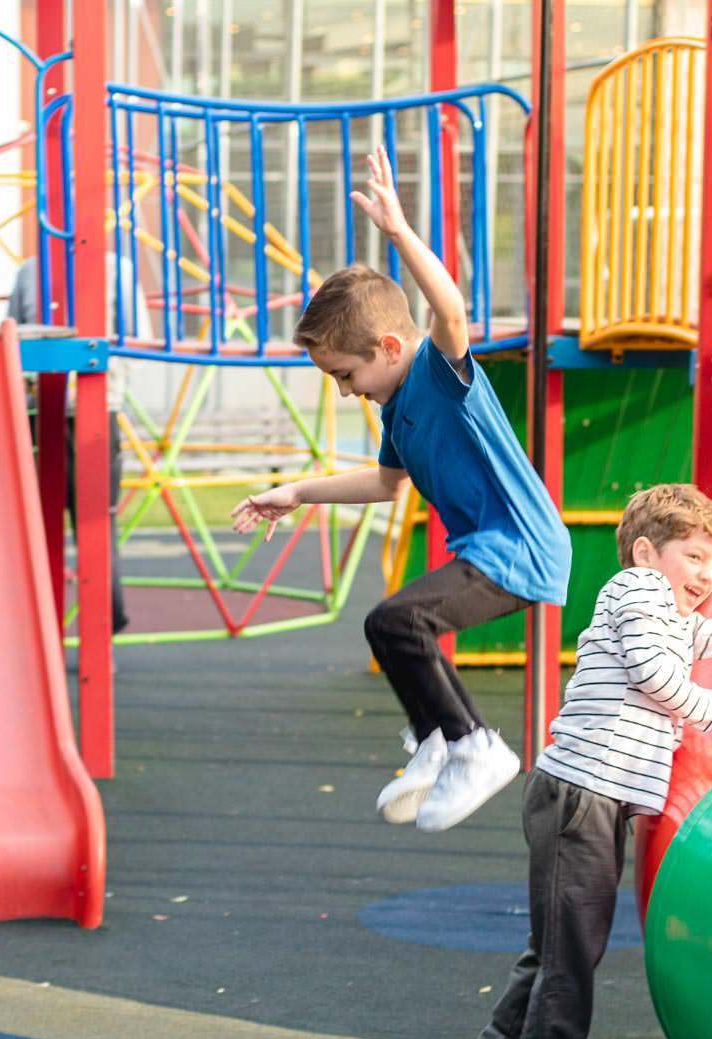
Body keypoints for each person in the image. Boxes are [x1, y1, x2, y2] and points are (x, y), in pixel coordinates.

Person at [232, 145, 571, 833]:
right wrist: (297, 492)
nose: (346, 390)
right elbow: (387, 483)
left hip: (523, 549)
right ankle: (441, 739)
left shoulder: (441, 377)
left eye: (345, 375)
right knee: (388, 624)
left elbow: (448, 308)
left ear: (388, 347)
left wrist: (399, 233)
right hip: (493, 550)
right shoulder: (397, 410)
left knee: (396, 621)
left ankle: (476, 747)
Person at [451, 482, 712, 1039]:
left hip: (578, 796)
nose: (709, 574)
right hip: (582, 798)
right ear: (648, 552)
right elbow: (656, 674)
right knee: (574, 953)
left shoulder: (669, 613)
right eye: (696, 558)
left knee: (555, 944)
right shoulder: (639, 593)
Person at [8, 253, 151, 635]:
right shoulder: (32, 271)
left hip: (90, 410)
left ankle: (104, 620)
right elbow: (14, 339)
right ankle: (50, 626)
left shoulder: (110, 268)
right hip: (51, 409)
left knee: (92, 521)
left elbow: (135, 341)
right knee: (65, 522)